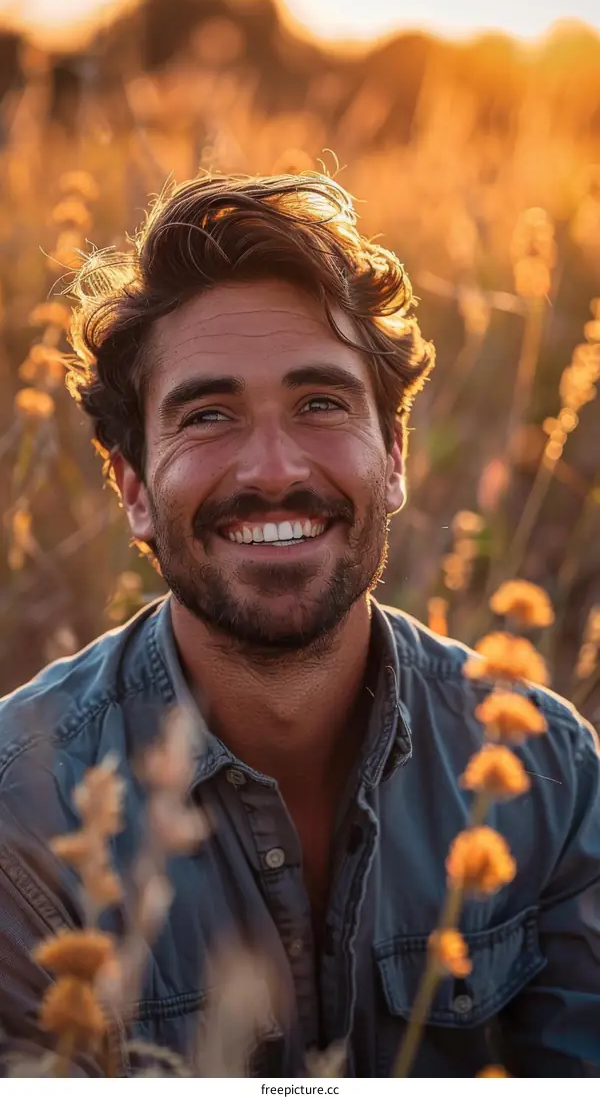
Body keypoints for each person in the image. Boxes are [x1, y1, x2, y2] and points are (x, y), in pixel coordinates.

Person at [0, 173, 599, 1078]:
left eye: (321, 403)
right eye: (209, 415)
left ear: (394, 457)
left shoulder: (548, 776)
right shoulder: (22, 821)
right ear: (133, 490)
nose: (274, 468)